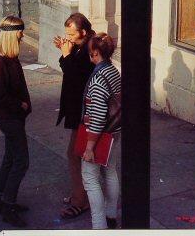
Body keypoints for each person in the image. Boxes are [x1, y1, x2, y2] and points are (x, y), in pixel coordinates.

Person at [0, 16, 31, 228]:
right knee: (21, 160)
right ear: (12, 35)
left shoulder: (9, 56)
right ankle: (7, 205)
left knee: (11, 155)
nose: (22, 36)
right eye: (20, 33)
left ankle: (2, 198)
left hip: (14, 116)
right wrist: (20, 105)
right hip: (8, 116)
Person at [53, 13, 95, 219]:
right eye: (66, 33)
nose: (68, 37)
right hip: (77, 111)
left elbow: (78, 78)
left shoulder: (90, 50)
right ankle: (81, 194)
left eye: (71, 34)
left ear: (83, 32)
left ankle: (81, 200)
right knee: (75, 155)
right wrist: (65, 53)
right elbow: (68, 69)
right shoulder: (80, 45)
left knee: (75, 155)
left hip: (83, 113)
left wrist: (67, 55)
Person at [81, 33, 121, 230]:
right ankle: (111, 215)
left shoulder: (97, 80)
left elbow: (97, 117)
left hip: (100, 136)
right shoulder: (114, 71)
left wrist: (89, 147)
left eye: (91, 54)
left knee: (90, 178)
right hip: (114, 132)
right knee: (110, 171)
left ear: (95, 53)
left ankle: (99, 226)